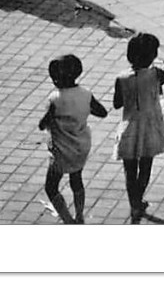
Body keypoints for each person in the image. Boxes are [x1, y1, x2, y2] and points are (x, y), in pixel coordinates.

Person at [38, 54, 108, 224]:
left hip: (61, 150)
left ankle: (68, 220)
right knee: (76, 180)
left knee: (51, 186)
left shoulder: (55, 99)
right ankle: (79, 215)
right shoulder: (85, 94)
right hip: (80, 147)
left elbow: (43, 124)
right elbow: (102, 112)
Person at [113, 32, 164, 224]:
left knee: (129, 170)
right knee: (145, 165)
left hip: (129, 127)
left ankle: (134, 205)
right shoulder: (156, 74)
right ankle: (138, 201)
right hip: (150, 126)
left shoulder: (121, 78)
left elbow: (117, 104)